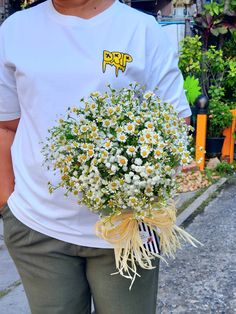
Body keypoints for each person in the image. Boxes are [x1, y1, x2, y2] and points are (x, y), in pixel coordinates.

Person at [0, 0, 191, 313]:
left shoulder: (141, 30)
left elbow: (174, 124)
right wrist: (7, 205)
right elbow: (6, 125)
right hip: (36, 227)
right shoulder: (16, 30)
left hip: (127, 231)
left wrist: (148, 201)